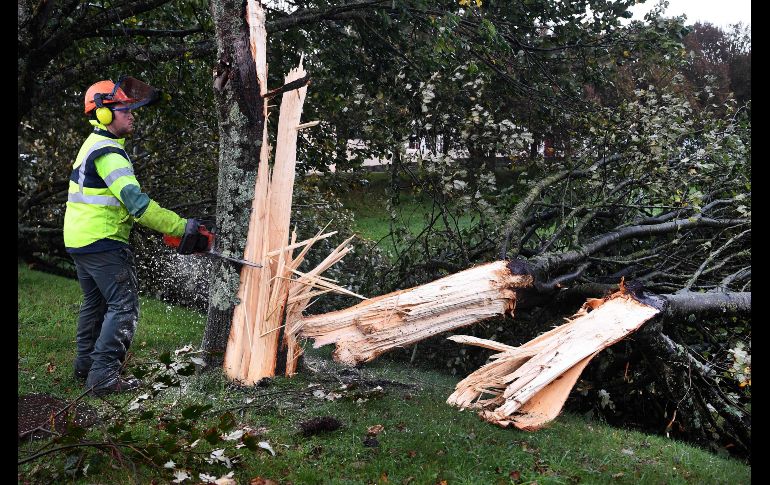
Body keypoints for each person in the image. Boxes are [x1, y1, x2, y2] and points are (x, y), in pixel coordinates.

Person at [63, 76, 207, 396]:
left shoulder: (94, 144)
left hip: (79, 240)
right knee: (124, 307)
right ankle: (103, 377)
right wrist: (181, 227)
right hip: (101, 240)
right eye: (124, 109)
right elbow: (138, 205)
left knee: (96, 303)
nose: (132, 115)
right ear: (103, 114)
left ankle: (86, 365)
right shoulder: (109, 154)